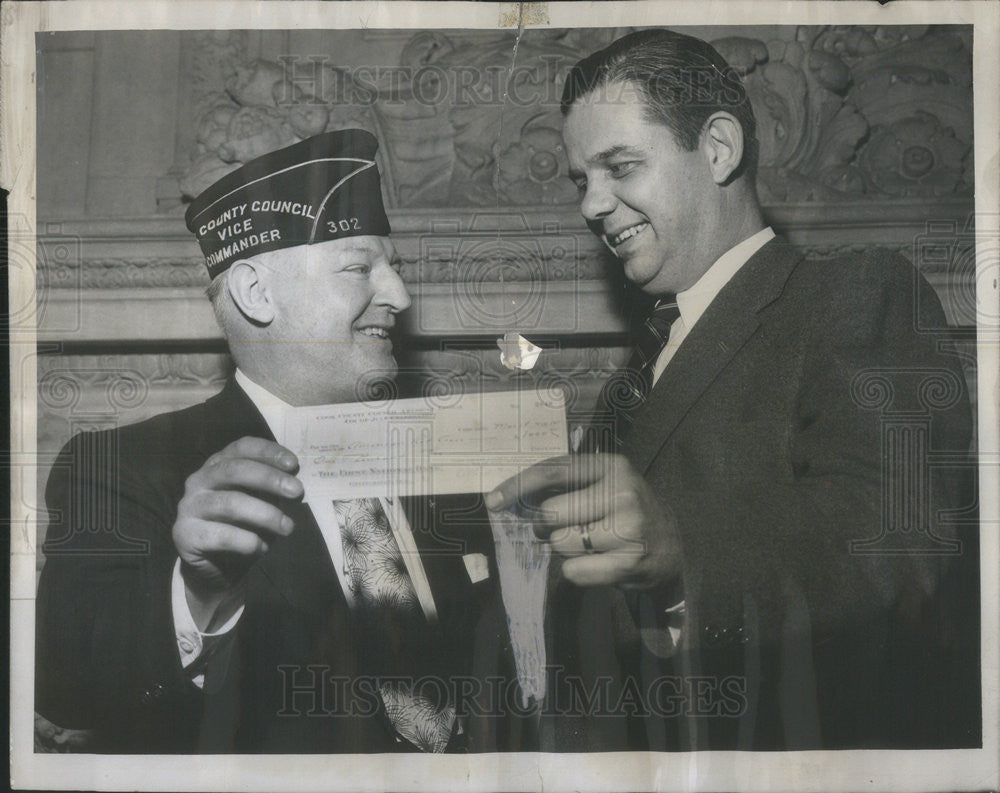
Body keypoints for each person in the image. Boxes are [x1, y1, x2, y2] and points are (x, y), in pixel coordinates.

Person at [487, 29, 980, 750]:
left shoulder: (857, 294)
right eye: (580, 180)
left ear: (718, 149)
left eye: (620, 166)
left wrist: (683, 547)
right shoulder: (630, 383)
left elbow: (897, 546)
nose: (592, 205)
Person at [35, 129, 532, 753]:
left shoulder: (439, 456)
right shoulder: (118, 469)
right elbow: (72, 695)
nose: (399, 296)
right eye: (360, 268)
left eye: (395, 267)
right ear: (256, 293)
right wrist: (202, 594)